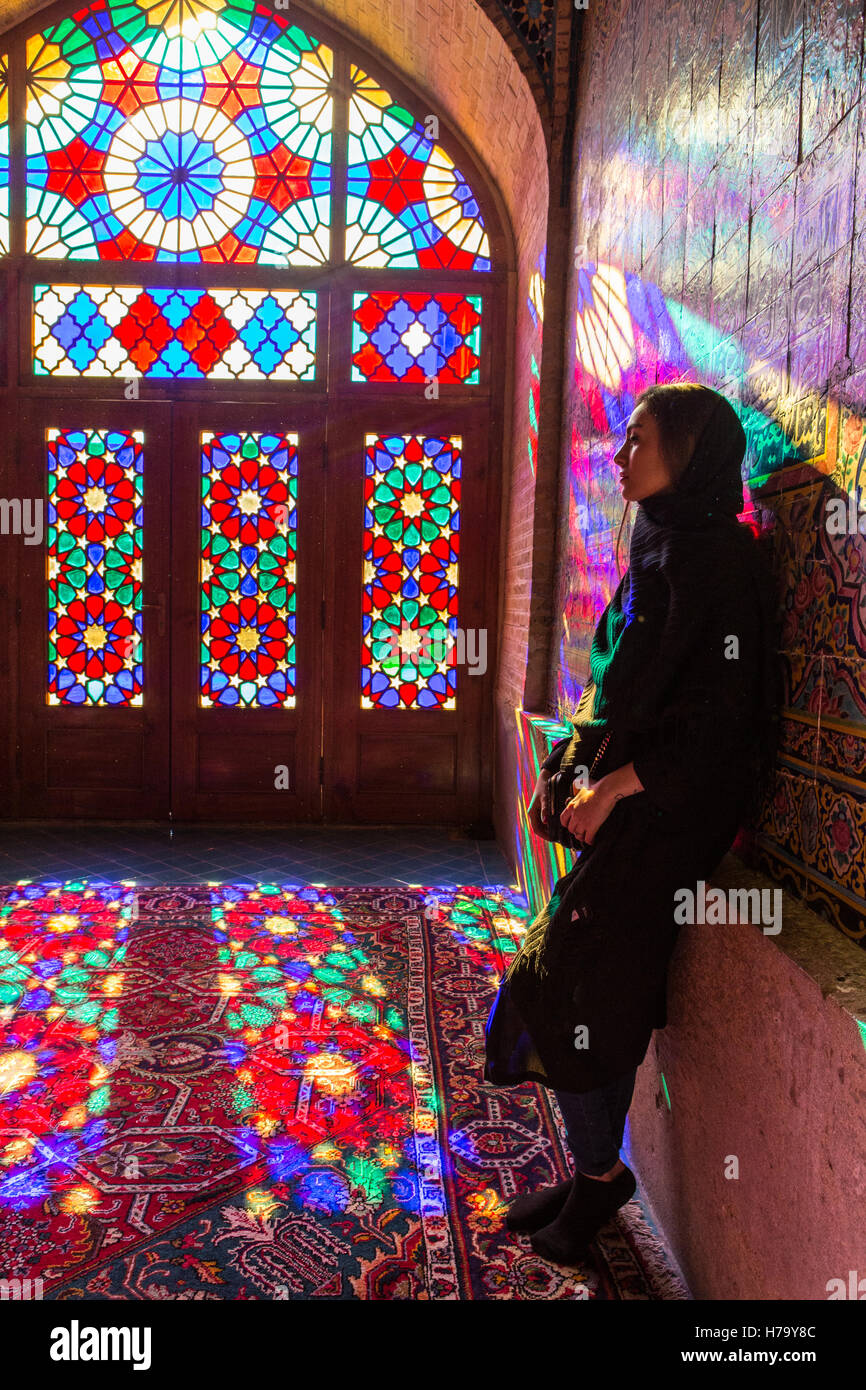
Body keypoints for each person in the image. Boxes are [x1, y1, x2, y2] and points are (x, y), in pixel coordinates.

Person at [483, 382, 781, 1267]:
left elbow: (719, 727)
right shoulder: (660, 541)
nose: (619, 456)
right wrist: (577, 770)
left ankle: (602, 1176)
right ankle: (596, 1171)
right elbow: (620, 679)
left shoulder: (720, 562)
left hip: (674, 811)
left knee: (568, 985)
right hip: (631, 802)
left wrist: (614, 790)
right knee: (593, 984)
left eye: (639, 440)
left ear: (689, 455)